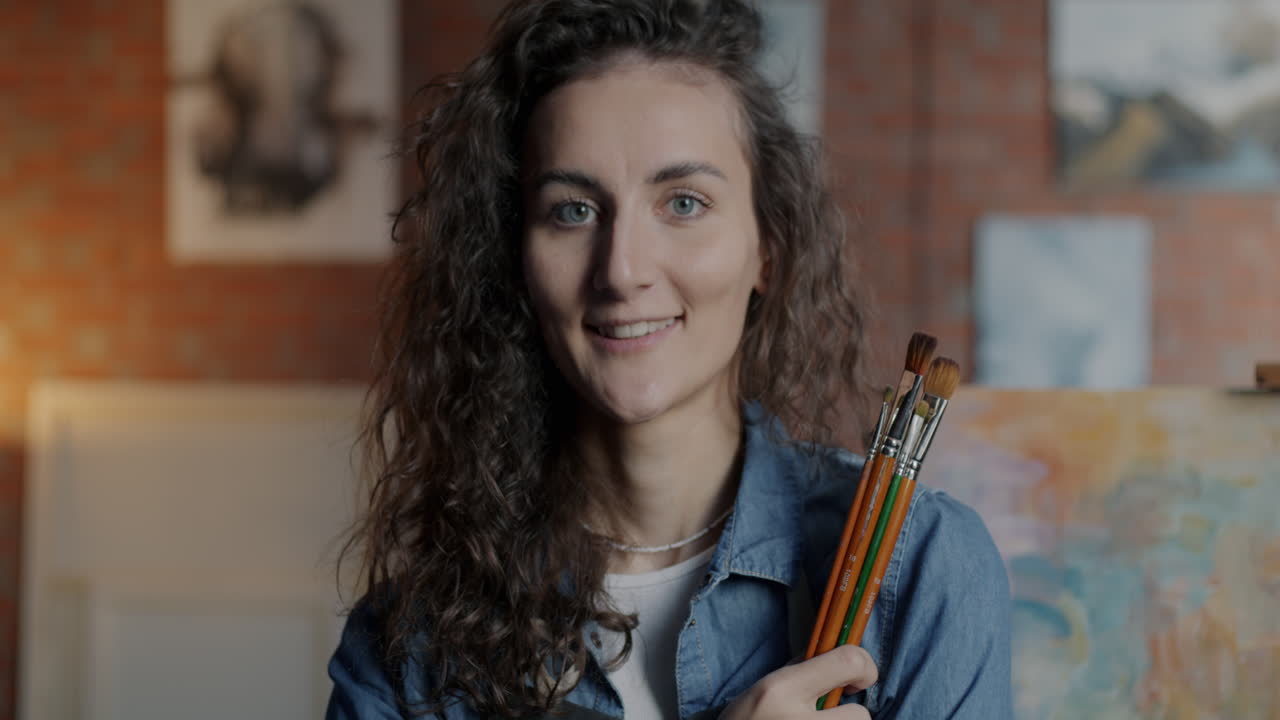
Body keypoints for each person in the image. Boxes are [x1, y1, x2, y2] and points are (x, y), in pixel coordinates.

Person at [326, 0, 1012, 718]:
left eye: (683, 203)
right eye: (573, 210)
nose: (622, 270)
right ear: (513, 261)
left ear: (768, 252)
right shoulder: (405, 642)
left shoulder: (922, 566)